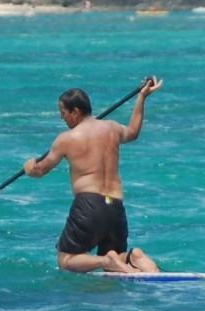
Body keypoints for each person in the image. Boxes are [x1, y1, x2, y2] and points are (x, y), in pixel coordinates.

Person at [23, 77, 164, 273]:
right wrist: (142, 98)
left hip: (89, 205)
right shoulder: (112, 128)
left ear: (76, 111)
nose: (62, 118)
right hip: (115, 205)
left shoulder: (67, 139)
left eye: (63, 113)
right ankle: (133, 257)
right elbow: (133, 132)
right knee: (116, 265)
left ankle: (105, 261)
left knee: (66, 260)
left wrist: (30, 166)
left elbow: (41, 170)